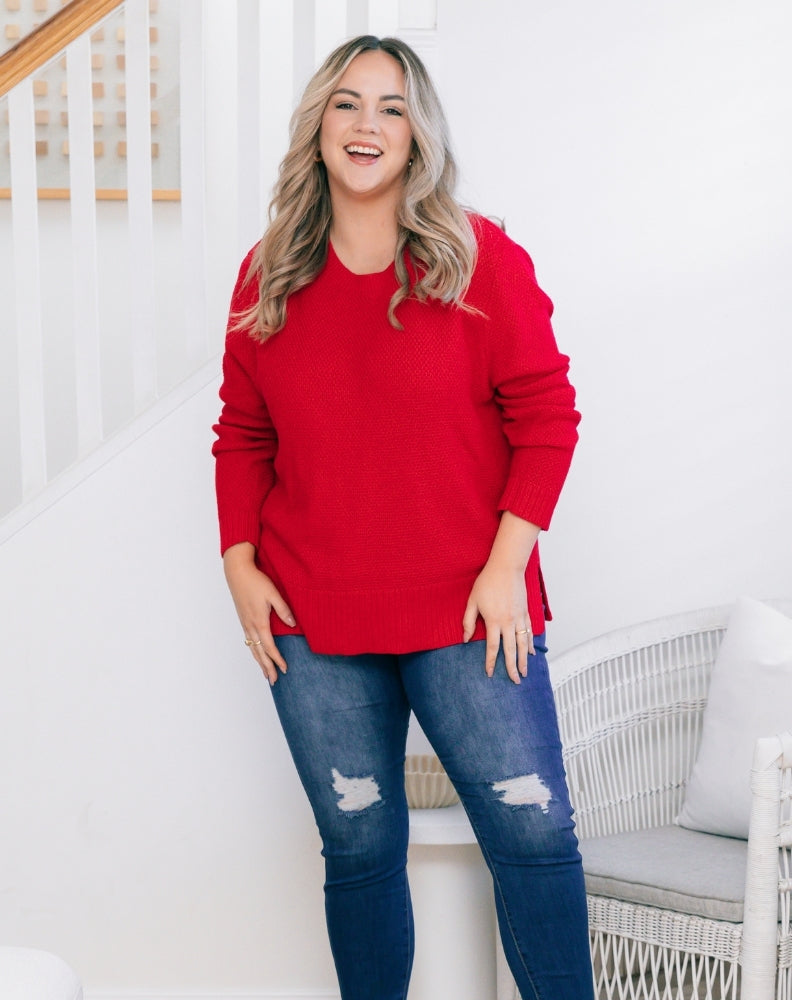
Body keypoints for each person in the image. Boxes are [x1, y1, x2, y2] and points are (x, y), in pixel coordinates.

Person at [212, 34, 593, 1000]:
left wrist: (505, 569)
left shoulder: (479, 259)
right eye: (347, 103)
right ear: (319, 127)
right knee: (358, 848)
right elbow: (243, 435)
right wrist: (238, 563)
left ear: (419, 133)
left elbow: (548, 418)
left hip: (471, 608)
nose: (367, 124)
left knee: (533, 835)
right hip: (312, 617)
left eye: (391, 107)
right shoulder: (268, 274)